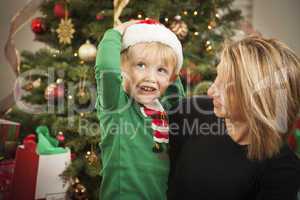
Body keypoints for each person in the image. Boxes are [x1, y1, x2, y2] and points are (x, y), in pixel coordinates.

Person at [168, 36, 300, 200]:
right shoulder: (190, 113)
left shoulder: (281, 168)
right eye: (217, 77)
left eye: (227, 85)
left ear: (261, 99)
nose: (210, 91)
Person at [94, 19, 185, 199]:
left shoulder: (165, 110)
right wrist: (116, 32)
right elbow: (106, 69)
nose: (150, 77)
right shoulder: (117, 106)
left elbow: (178, 97)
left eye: (161, 70)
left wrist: (165, 39)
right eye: (141, 65)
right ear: (122, 69)